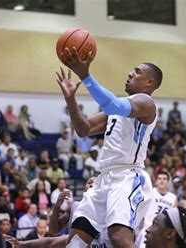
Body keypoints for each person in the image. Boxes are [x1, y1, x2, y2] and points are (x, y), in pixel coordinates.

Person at [56, 46, 162, 248]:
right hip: (104, 177)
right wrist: (71, 100)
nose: (131, 73)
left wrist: (85, 75)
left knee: (119, 238)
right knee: (76, 241)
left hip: (127, 176)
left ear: (150, 83)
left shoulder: (146, 103)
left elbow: (114, 105)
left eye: (138, 72)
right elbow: (84, 129)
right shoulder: (116, 107)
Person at [136, 171, 178, 248]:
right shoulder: (150, 192)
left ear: (168, 182)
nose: (162, 180)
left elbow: (174, 218)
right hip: (148, 229)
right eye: (159, 178)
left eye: (164, 179)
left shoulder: (173, 198)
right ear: (156, 181)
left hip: (163, 233)